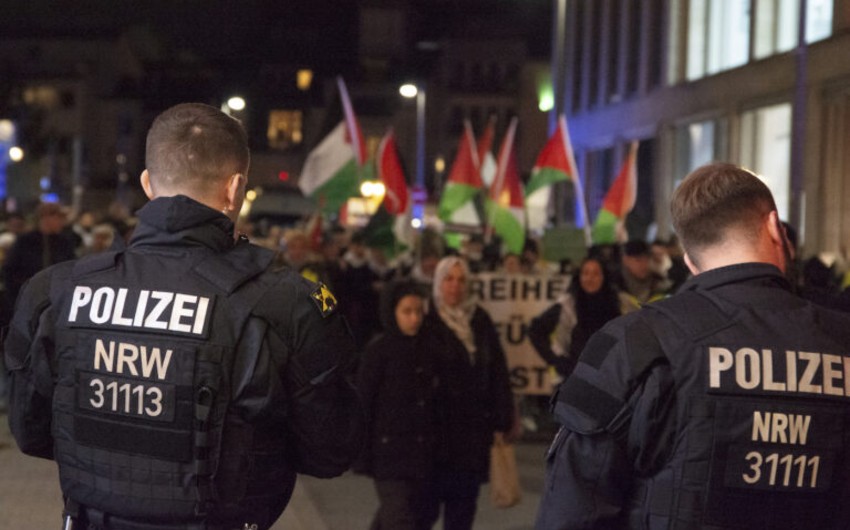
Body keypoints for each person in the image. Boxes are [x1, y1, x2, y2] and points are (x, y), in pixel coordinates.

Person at [4, 103, 364, 530]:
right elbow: (330, 452)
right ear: (235, 188)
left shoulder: (54, 292)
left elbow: (30, 432)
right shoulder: (286, 303)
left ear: (147, 184)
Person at [536, 162, 850, 529]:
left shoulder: (634, 341)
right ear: (773, 228)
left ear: (689, 259)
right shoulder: (840, 339)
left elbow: (574, 508)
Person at [423, 256, 516, 530]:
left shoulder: (479, 319)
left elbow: (497, 369)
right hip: (436, 433)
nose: (455, 286)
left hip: (473, 433)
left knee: (463, 510)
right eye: (449, 279)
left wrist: (505, 415)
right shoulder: (427, 319)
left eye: (461, 280)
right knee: (424, 510)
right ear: (439, 283)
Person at [356, 280, 438, 530]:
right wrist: (361, 451)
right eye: (406, 311)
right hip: (389, 453)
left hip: (425, 453)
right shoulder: (379, 351)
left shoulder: (431, 348)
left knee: (416, 513)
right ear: (393, 312)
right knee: (399, 517)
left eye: (418, 311)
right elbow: (363, 402)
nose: (414, 318)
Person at [528, 256, 622, 379]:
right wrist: (557, 361)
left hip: (611, 380)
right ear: (579, 276)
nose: (590, 278)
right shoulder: (568, 304)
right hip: (573, 380)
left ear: (604, 277)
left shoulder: (619, 304)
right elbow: (535, 330)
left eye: (596, 273)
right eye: (586, 273)